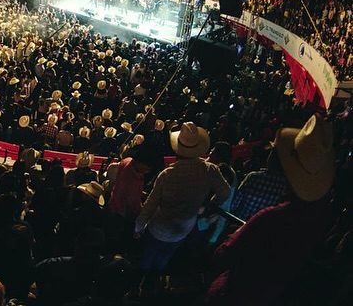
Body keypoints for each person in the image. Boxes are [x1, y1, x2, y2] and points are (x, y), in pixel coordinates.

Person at [206, 114, 336, 305]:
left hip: (234, 293)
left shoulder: (271, 218)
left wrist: (241, 231)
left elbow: (223, 256)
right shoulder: (321, 220)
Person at [133, 121, 230, 297]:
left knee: (148, 255)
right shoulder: (210, 170)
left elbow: (150, 205)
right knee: (164, 257)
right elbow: (225, 193)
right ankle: (151, 284)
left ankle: (138, 286)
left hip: (159, 227)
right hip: (183, 228)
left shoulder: (167, 174)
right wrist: (205, 206)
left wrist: (138, 227)